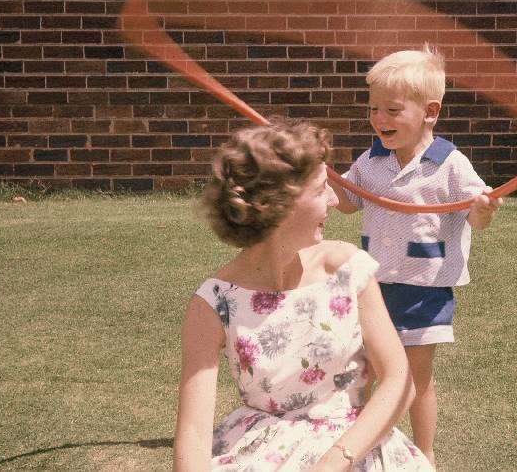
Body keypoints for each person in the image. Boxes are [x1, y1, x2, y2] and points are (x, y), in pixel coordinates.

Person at [173, 117, 434, 471]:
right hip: (260, 455)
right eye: (322, 188)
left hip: (355, 450)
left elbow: (399, 380)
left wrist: (333, 462)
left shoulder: (347, 269)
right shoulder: (214, 303)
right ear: (279, 204)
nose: (333, 200)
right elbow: (193, 434)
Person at [331, 44, 503, 468]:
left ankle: (425, 452)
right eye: (374, 109)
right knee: (365, 371)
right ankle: (355, 446)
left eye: (392, 110)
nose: (380, 119)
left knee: (415, 378)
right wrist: (328, 178)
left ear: (430, 112)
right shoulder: (371, 160)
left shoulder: (450, 164)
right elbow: (349, 203)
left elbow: (475, 216)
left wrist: (483, 210)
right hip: (373, 286)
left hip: (424, 289)